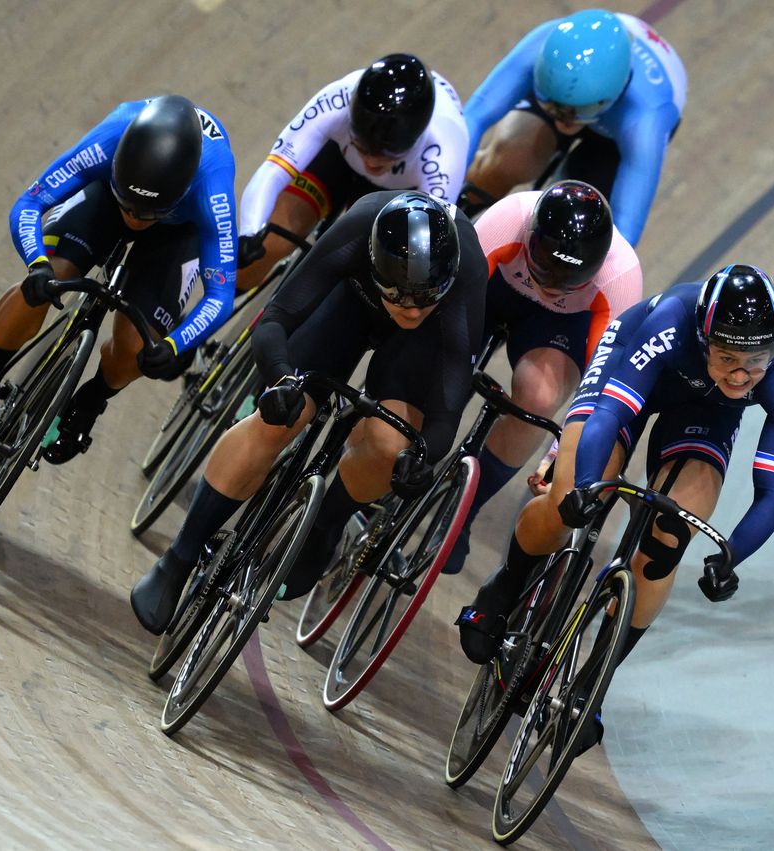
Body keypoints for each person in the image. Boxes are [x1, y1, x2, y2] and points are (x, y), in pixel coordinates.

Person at [456, 264, 774, 750]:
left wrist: (731, 556)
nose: (742, 374)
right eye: (728, 357)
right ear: (705, 341)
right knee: (570, 502)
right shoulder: (671, 320)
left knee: (668, 542)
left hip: (706, 413)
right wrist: (583, 486)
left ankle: (593, 682)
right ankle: (505, 587)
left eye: (756, 362)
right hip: (631, 368)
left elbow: (773, 493)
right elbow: (610, 414)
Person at [131, 191, 489, 634]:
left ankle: (323, 527)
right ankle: (177, 559)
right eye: (399, 296)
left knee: (389, 444)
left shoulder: (467, 276)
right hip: (350, 302)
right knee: (278, 420)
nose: (411, 308)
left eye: (425, 299)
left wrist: (422, 456)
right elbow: (276, 319)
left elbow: (447, 408)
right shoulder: (358, 229)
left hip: (417, 347)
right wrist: (282, 381)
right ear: (376, 265)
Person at [0, 95, 238, 464]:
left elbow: (220, 293)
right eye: (128, 205)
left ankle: (92, 400)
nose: (134, 220)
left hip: (177, 232)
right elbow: (29, 204)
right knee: (53, 278)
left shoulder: (213, 187)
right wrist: (37, 266)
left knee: (138, 344)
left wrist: (175, 345)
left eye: (146, 214)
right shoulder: (110, 138)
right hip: (103, 199)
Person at [442, 179, 643, 575]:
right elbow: (448, 299)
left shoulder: (621, 276)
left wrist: (557, 454)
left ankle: (460, 513)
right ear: (532, 237)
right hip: (491, 288)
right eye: (545, 271)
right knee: (442, 361)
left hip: (558, 325)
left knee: (538, 402)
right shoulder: (509, 217)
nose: (550, 287)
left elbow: (599, 393)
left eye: (568, 281)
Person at [235, 53, 469, 292]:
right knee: (273, 241)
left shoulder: (444, 156)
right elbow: (273, 171)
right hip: (338, 158)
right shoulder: (336, 101)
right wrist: (250, 232)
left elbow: (425, 250)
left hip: (398, 191)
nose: (369, 160)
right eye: (362, 146)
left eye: (385, 154)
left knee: (369, 277)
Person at [463, 9, 686, 247]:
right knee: (511, 159)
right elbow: (470, 121)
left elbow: (625, 232)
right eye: (554, 107)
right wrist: (439, 195)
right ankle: (464, 204)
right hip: (576, 91)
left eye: (578, 112)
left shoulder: (646, 119)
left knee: (572, 223)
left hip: (612, 140)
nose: (563, 121)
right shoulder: (546, 46)